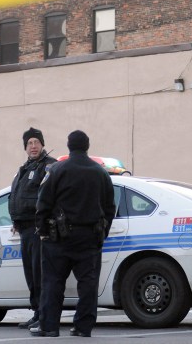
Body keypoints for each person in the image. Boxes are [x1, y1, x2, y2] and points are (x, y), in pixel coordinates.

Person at [32, 130, 116, 338]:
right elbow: (109, 207)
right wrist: (102, 233)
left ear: (69, 146)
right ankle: (83, 327)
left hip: (58, 239)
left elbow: (43, 203)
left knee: (53, 282)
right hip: (90, 238)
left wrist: (42, 230)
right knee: (88, 284)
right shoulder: (101, 173)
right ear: (87, 146)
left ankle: (49, 326)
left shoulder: (57, 170)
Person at [8, 127, 56, 330]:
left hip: (39, 230)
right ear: (25, 147)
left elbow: (50, 198)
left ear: (42, 144)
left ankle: (44, 315)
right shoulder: (24, 169)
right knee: (31, 274)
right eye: (29, 143)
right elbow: (16, 197)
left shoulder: (49, 166)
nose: (33, 146)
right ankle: (37, 312)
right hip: (25, 230)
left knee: (40, 275)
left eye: (36, 142)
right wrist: (16, 222)